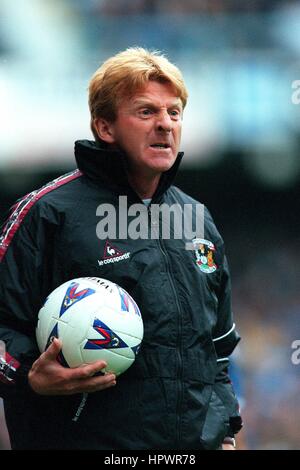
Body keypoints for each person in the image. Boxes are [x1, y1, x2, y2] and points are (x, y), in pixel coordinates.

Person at [0, 47, 242, 450]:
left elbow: (217, 349)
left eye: (174, 112)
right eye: (146, 112)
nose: (165, 124)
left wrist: (226, 432)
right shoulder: (46, 214)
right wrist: (28, 376)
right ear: (105, 127)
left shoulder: (197, 220)